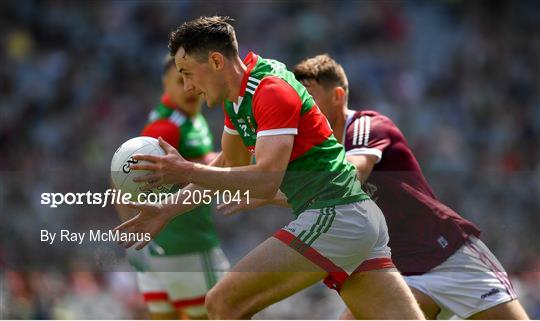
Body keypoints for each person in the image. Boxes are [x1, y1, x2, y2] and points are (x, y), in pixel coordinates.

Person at [114, 16, 424, 319]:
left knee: (223, 303)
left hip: (335, 214)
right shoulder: (237, 99)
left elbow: (265, 180)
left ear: (217, 62)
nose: (187, 86)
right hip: (353, 218)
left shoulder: (269, 90)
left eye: (188, 73)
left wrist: (187, 170)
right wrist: (166, 211)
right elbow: (228, 164)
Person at [287, 54, 528, 319]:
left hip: (450, 256)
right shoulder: (318, 155)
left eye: (308, 95)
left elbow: (352, 174)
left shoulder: (367, 125)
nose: (301, 106)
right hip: (402, 275)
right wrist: (251, 190)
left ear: (337, 96)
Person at [113, 55, 229, 320]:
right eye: (180, 80)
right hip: (188, 246)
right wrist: (131, 232)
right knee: (226, 312)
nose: (188, 88)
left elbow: (192, 163)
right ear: (166, 83)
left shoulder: (189, 119)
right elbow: (120, 174)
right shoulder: (165, 127)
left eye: (192, 79)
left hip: (165, 248)